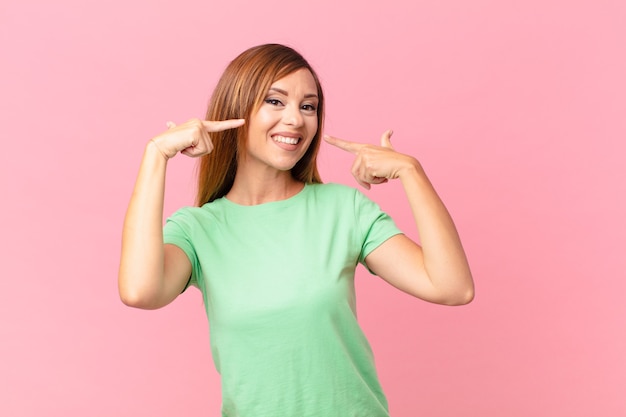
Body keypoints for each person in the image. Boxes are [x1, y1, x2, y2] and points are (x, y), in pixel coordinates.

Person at [118, 43, 474, 417]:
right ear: (236, 109)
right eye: (276, 101)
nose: (295, 120)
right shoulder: (198, 230)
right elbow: (140, 291)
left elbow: (453, 287)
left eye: (308, 106)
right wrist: (155, 155)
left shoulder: (343, 209)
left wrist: (410, 172)